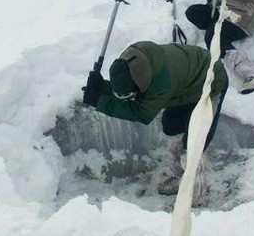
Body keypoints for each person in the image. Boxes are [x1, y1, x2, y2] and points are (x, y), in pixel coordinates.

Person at [82, 41, 228, 198]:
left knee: (194, 142)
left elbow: (142, 113)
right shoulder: (133, 64)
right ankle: (187, 145)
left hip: (212, 82)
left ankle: (194, 190)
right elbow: (129, 91)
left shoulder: (161, 84)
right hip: (188, 84)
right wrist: (102, 86)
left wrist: (100, 101)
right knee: (170, 126)